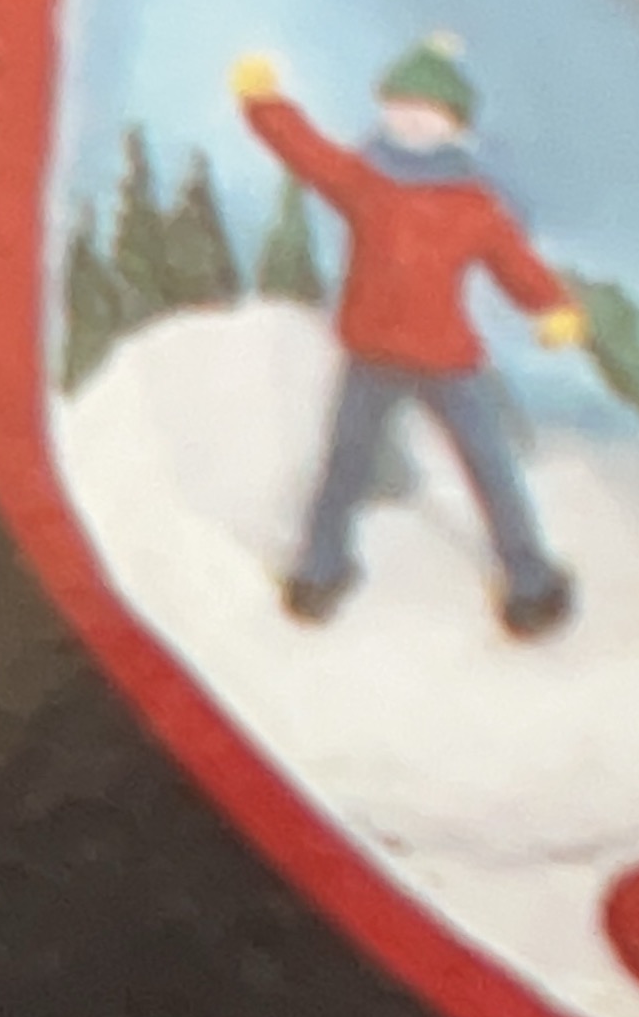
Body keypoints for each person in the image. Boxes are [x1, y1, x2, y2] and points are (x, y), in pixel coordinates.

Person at [234, 36, 587, 640]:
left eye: (428, 109)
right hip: (370, 354)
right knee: (345, 464)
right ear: (384, 109)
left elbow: (514, 262)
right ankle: (319, 570)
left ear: (456, 124)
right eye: (401, 104)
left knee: (489, 465)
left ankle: (529, 580)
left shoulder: (474, 204)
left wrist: (550, 305)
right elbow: (307, 152)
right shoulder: (364, 178)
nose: (412, 118)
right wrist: (265, 103)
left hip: (448, 360)